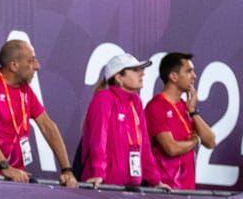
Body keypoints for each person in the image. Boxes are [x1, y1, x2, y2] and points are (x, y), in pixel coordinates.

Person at [0, 39, 78, 185]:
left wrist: (67, 170)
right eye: (31, 61)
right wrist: (4, 166)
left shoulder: (25, 91)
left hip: (14, 178)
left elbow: (48, 127)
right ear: (14, 65)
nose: (37, 66)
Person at [79, 53, 168, 189]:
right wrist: (98, 173)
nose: (142, 74)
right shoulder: (104, 98)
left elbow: (144, 144)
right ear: (119, 77)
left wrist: (155, 181)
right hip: (104, 187)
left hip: (131, 187)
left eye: (141, 69)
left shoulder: (136, 102)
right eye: (135, 70)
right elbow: (98, 139)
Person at [145, 53, 217, 190]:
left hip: (187, 192)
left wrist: (193, 111)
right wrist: (196, 140)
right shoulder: (156, 106)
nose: (194, 76)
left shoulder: (185, 107)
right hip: (164, 192)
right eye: (189, 71)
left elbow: (211, 141)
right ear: (173, 76)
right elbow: (171, 148)